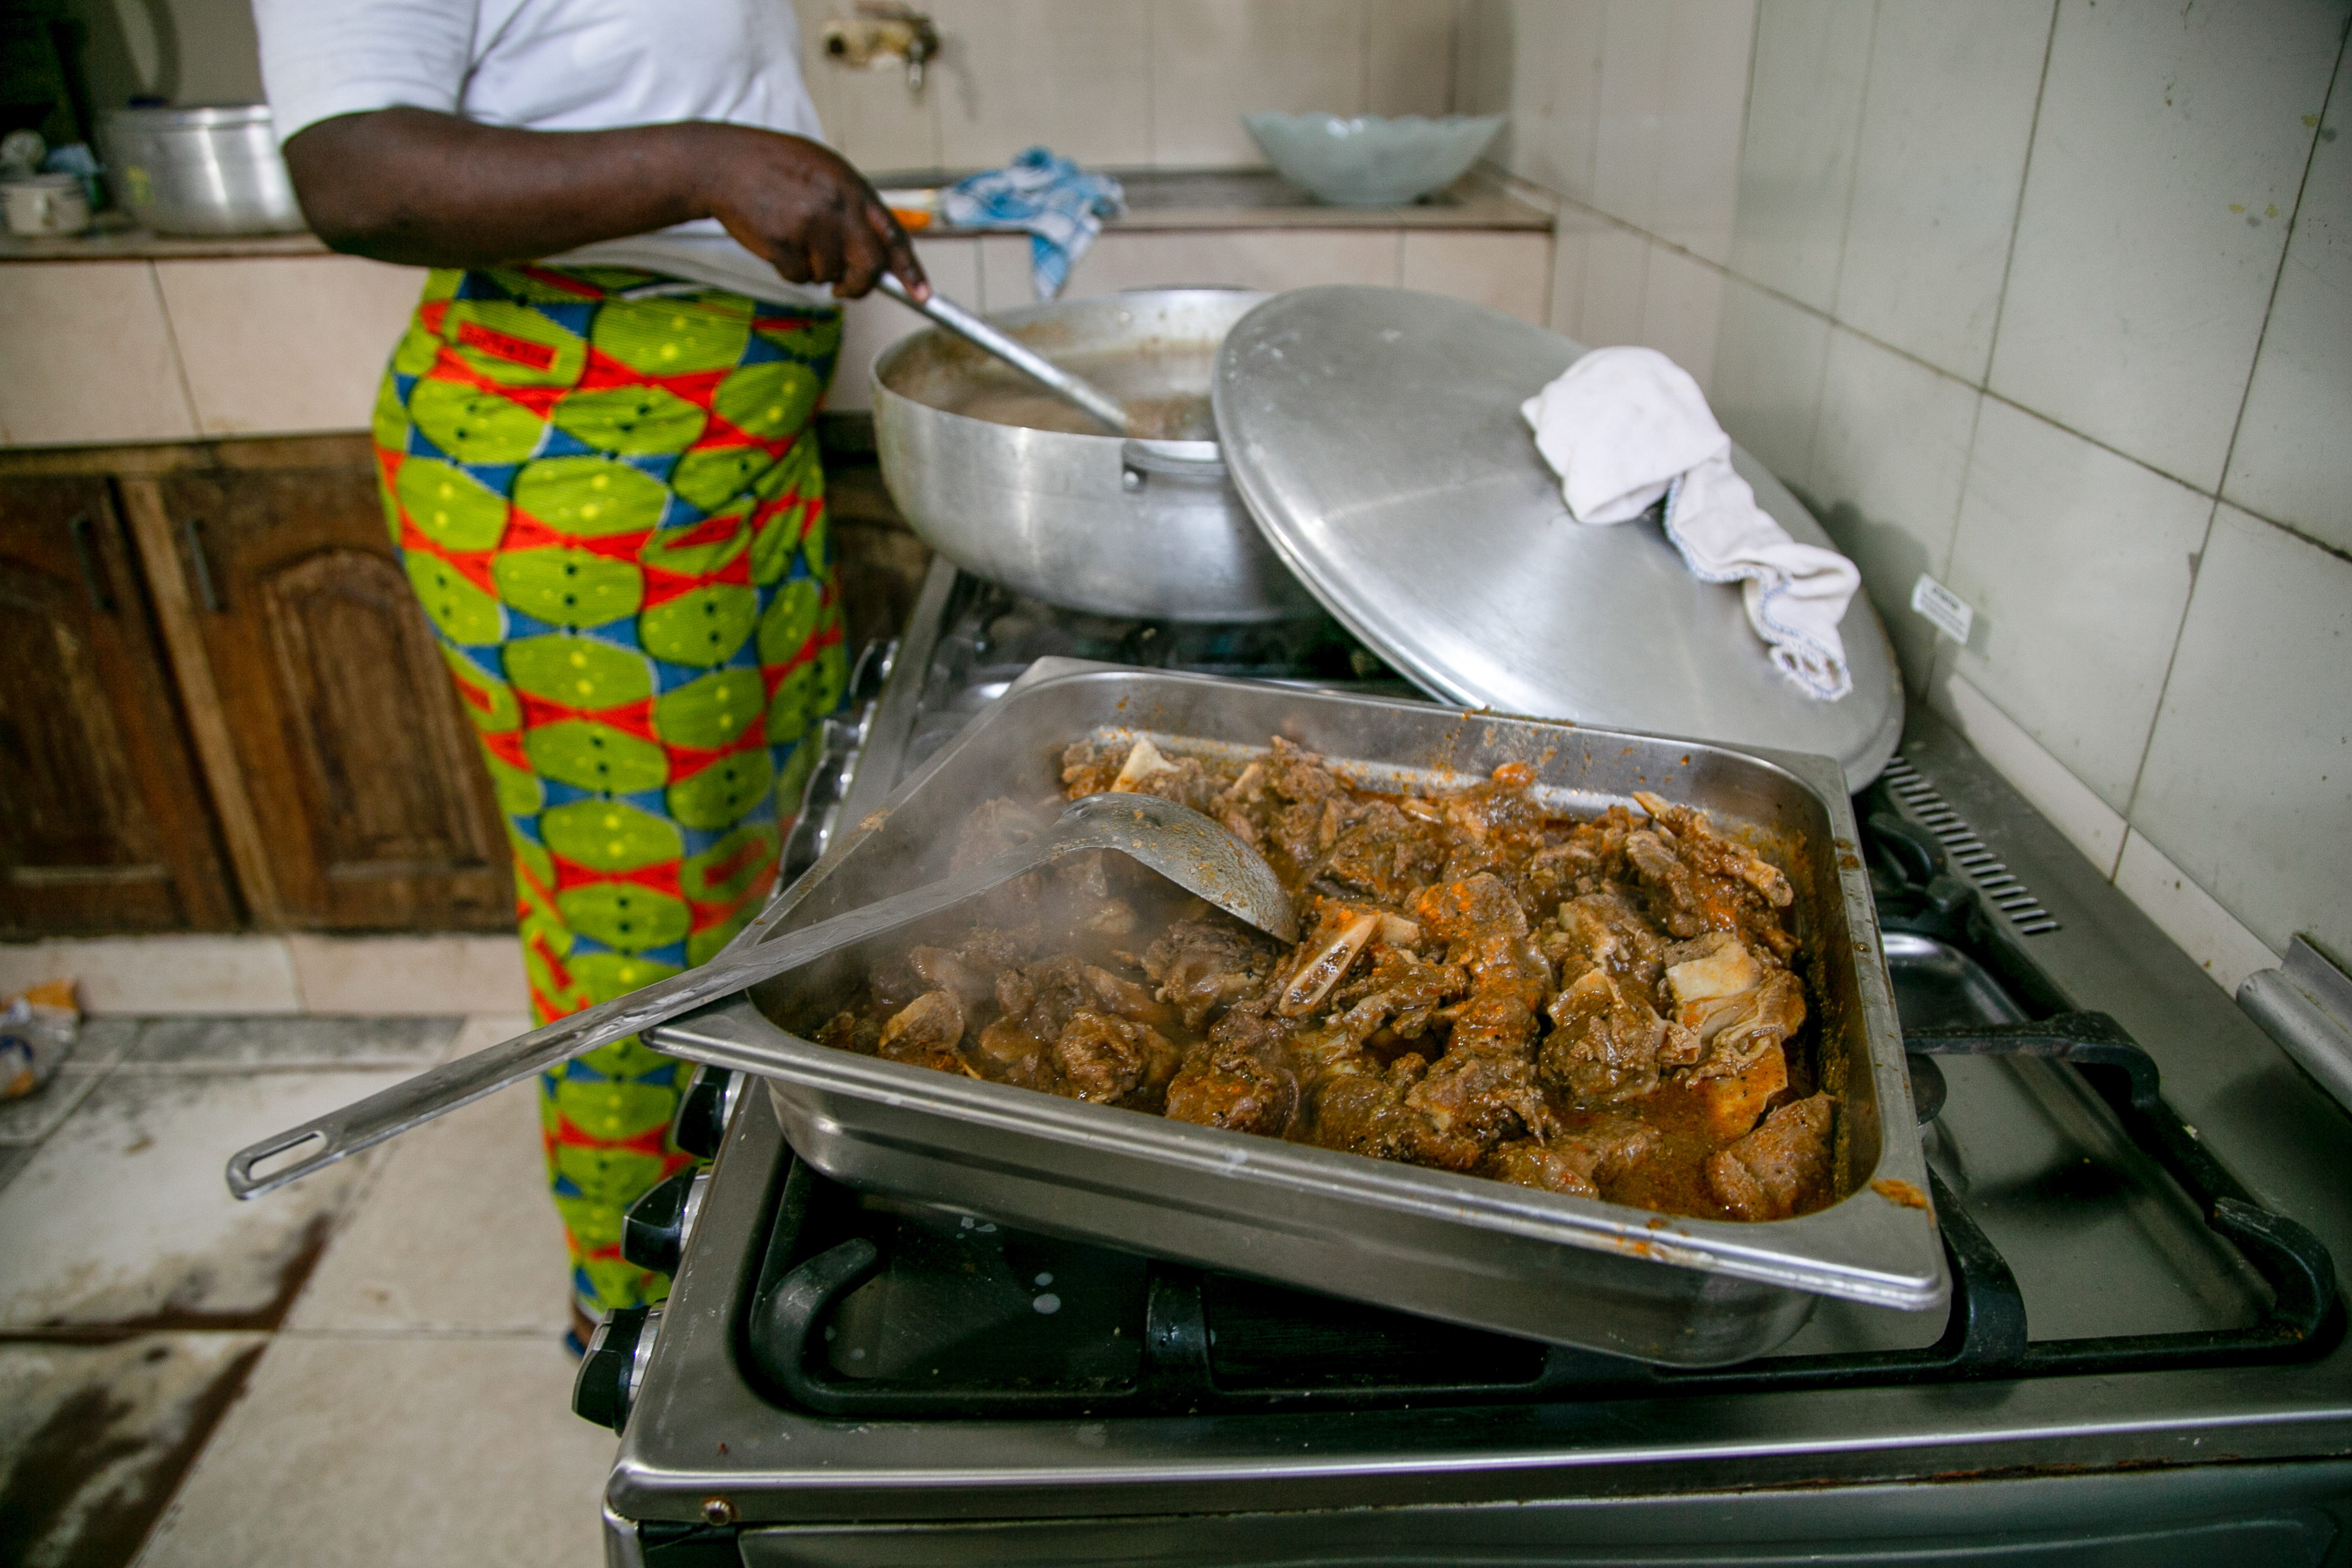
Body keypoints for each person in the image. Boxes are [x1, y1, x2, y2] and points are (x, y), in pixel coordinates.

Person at [254, 0, 928, 1351]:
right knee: (645, 930)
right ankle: (641, 1312)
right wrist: (709, 164)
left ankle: (748, 1232)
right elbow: (351, 169)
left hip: (729, 437)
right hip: (580, 470)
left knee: (773, 882)